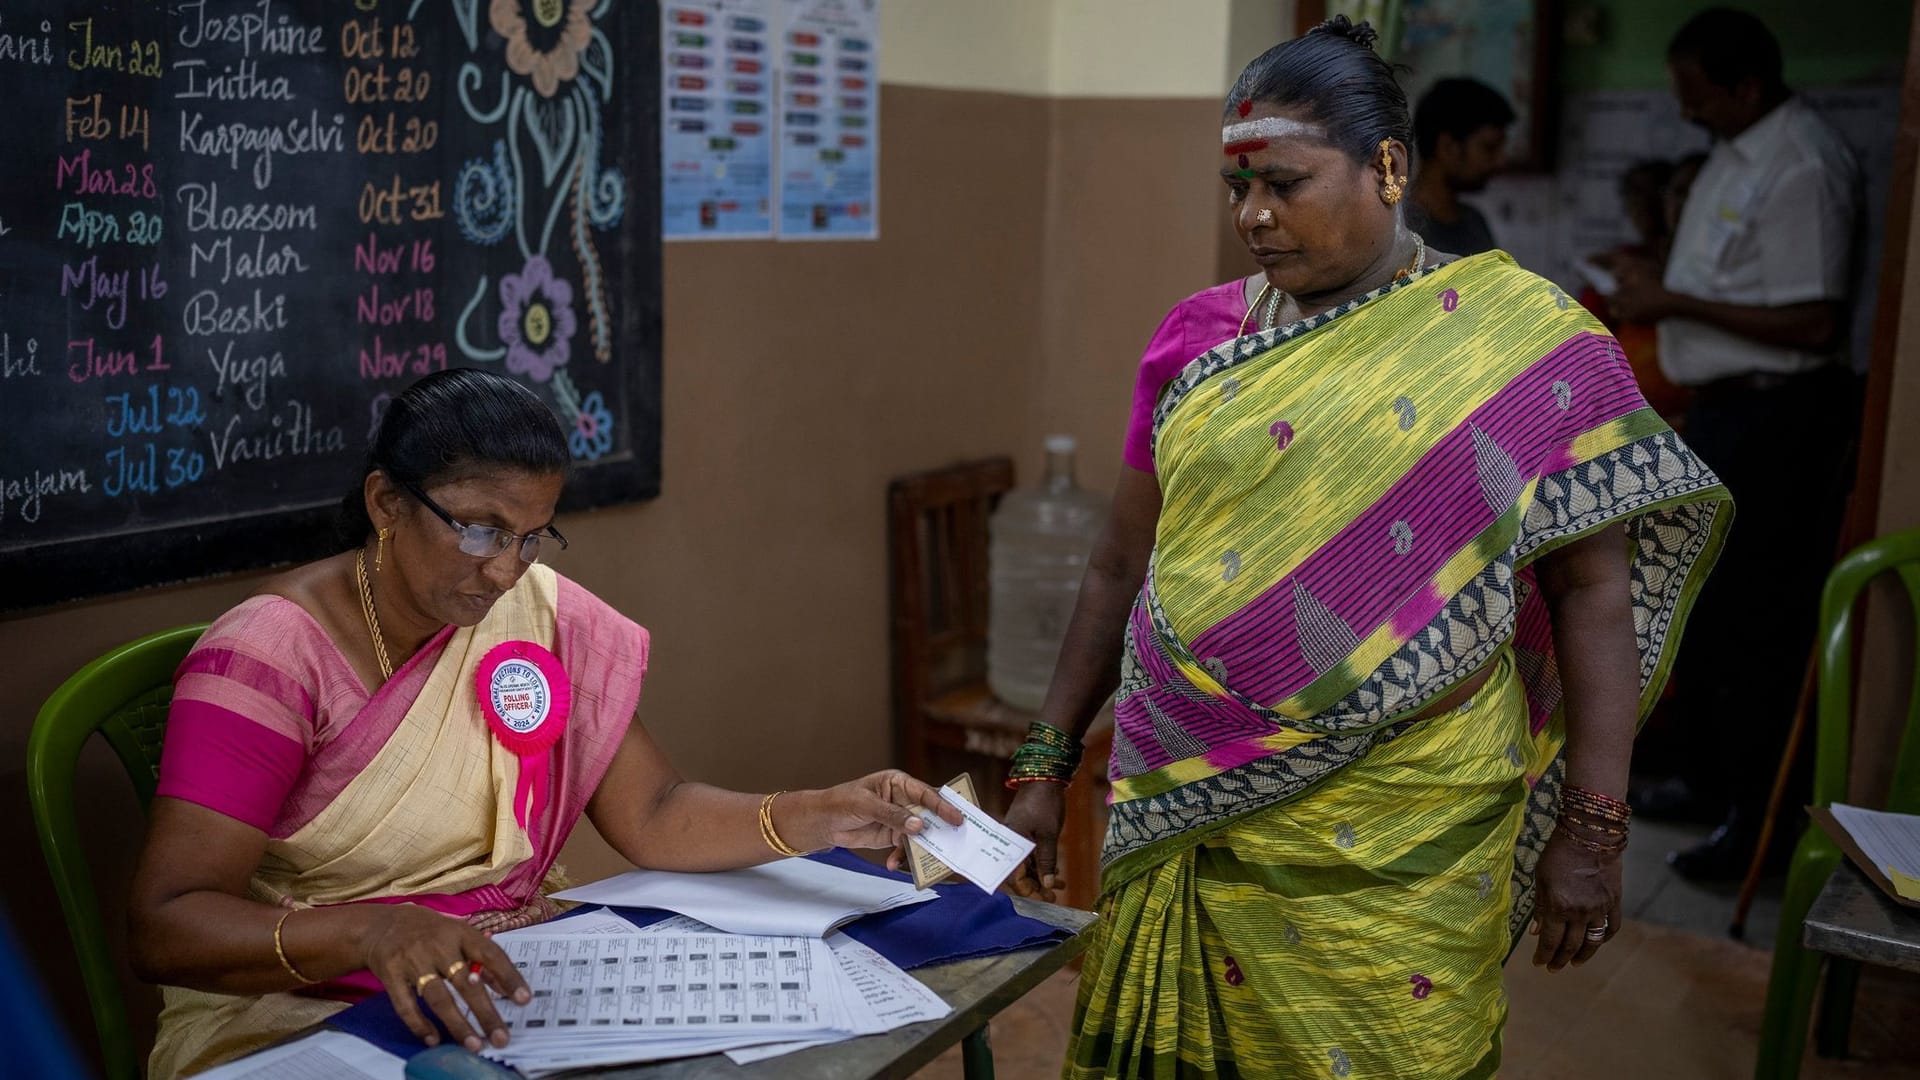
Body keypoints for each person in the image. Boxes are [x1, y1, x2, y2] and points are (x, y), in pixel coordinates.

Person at [998, 18, 1730, 1078]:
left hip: (1411, 826)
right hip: (1190, 801)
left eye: (1285, 185)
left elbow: (1594, 593)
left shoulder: (1519, 344)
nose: (1253, 217)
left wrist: (1596, 825)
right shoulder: (1199, 342)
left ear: (1389, 167)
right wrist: (1045, 758)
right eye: (1235, 190)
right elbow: (1120, 561)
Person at [128, 369, 963, 1078]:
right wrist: (372, 929)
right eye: (479, 529)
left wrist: (816, 813)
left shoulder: (537, 615)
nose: (502, 570)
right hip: (300, 1012)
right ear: (386, 501)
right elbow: (168, 925)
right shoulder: (274, 653)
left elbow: (656, 811)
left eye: (530, 537)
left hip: (515, 976)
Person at [1608, 8, 1862, 879]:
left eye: (1696, 95)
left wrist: (1672, 306)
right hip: (1723, 412)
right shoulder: (1738, 152)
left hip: (1777, 419)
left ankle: (1758, 826)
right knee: (1709, 608)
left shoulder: (1801, 165)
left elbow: (1813, 315)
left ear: (1745, 86)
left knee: (1757, 620)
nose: (1686, 114)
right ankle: (1710, 785)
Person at [1577, 160, 1691, 423]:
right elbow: (1588, 338)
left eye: (1654, 191)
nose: (1642, 203)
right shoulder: (1620, 264)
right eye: (1632, 194)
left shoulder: (1695, 267)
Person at [1406, 76, 1515, 256]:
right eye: (1489, 148)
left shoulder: (1474, 223)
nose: (1500, 160)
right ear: (1448, 147)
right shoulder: (1399, 231)